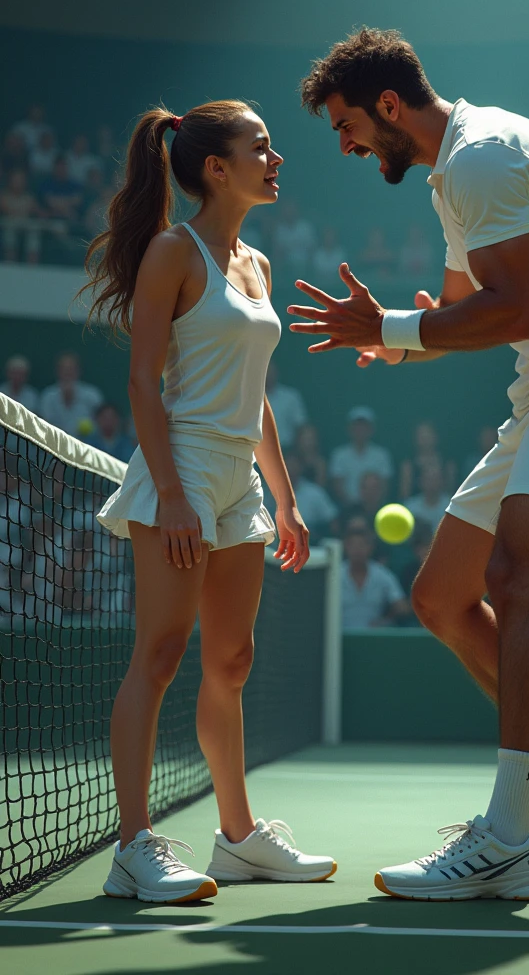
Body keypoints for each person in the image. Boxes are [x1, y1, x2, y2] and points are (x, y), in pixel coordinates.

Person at [292, 27, 529, 901]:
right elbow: (466, 311)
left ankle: (508, 837)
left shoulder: (480, 157)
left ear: (389, 106)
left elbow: (513, 308)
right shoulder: (457, 169)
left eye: (347, 125)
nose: (345, 146)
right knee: (441, 596)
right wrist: (397, 339)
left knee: (517, 576)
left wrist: (388, 329)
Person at [80, 100, 335, 904]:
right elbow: (141, 385)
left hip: (240, 484)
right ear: (216, 168)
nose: (277, 158)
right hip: (178, 473)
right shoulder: (171, 252)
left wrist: (285, 501)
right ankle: (133, 847)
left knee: (232, 660)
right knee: (158, 658)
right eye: (261, 147)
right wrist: (178, 496)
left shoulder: (255, 263)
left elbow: (255, 399)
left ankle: (238, 840)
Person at [341, 517, 410, 628]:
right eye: (353, 545)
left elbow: (402, 607)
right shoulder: (334, 574)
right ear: (346, 547)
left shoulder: (382, 574)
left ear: (370, 548)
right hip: (337, 637)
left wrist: (386, 620)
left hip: (374, 638)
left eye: (362, 545)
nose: (357, 549)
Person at [329, 405, 393, 504]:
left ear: (371, 429)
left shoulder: (381, 455)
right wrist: (353, 506)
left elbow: (385, 485)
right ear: (350, 429)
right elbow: (338, 486)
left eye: (364, 426)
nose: (360, 430)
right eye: (357, 426)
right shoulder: (339, 455)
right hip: (348, 508)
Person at [39, 352, 104, 437]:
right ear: (58, 371)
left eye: (71, 369)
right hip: (54, 447)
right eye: (64, 369)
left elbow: (102, 426)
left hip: (86, 447)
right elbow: (43, 427)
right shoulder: (48, 396)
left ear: (78, 371)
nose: (67, 372)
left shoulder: (93, 395)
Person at [264, 361, 308, 450]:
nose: (268, 374)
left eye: (271, 370)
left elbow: (301, 426)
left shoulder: (290, 397)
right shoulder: (250, 398)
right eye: (266, 371)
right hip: (259, 452)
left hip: (287, 451)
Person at [404, 461, 448, 532]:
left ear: (443, 481)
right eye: (428, 478)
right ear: (420, 481)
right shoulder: (410, 508)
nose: (432, 482)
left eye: (435, 478)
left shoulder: (452, 507)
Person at [294, 422, 328, 487]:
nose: (308, 442)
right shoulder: (291, 460)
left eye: (311, 438)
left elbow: (320, 486)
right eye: (305, 438)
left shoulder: (321, 463)